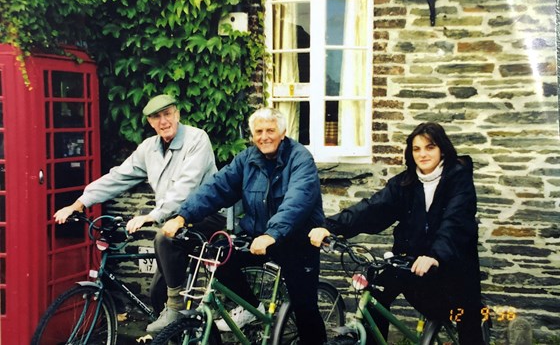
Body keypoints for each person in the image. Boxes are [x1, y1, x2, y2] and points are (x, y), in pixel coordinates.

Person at [53, 94, 225, 333]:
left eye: (167, 114)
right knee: (156, 294)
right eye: (157, 117)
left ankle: (175, 307)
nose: (163, 121)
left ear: (177, 114)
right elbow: (118, 176)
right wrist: (81, 202)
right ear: (150, 122)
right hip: (172, 221)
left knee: (164, 239)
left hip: (206, 215)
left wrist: (152, 216)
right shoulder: (149, 148)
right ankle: (174, 332)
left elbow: (186, 187)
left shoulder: (197, 139)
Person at [309, 122, 485, 345]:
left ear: (442, 149)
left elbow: (455, 222)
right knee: (375, 296)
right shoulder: (405, 183)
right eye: (416, 148)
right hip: (409, 261)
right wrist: (330, 227)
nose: (423, 154)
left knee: (467, 320)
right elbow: (372, 208)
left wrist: (435, 256)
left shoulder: (458, 179)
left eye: (429, 147)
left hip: (451, 261)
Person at [165, 107, 327, 344]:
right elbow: (217, 188)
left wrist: (272, 234)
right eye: (259, 131)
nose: (264, 136)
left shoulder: (300, 158)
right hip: (259, 238)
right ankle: (252, 308)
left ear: (283, 132)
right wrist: (182, 216)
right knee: (218, 253)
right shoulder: (247, 159)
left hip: (297, 240)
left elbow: (298, 200)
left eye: (270, 130)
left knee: (304, 306)